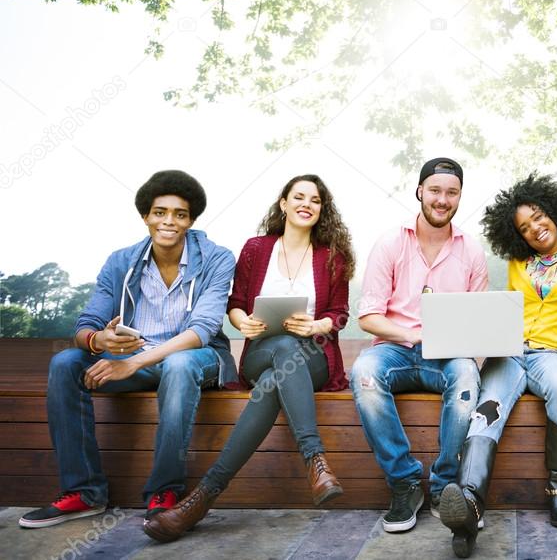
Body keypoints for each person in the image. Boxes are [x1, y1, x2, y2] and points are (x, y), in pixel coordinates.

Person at [19, 170, 238, 530]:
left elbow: (202, 330)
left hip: (198, 358)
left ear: (191, 220)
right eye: (160, 212)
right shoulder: (121, 261)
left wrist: (130, 363)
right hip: (134, 359)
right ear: (145, 216)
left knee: (179, 365)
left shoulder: (216, 258)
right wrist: (97, 341)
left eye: (179, 214)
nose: (169, 221)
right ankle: (84, 492)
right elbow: (86, 323)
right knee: (66, 362)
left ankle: (164, 492)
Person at [144, 174, 355, 542]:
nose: (307, 204)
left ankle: (201, 499)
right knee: (280, 353)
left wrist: (315, 324)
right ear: (284, 204)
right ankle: (315, 462)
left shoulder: (330, 256)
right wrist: (244, 322)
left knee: (283, 364)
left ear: (322, 210)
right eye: (299, 197)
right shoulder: (257, 249)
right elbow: (235, 303)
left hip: (313, 357)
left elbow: (340, 315)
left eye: (316, 200)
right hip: (260, 351)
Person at [439, 173, 557, 558]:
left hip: (552, 355)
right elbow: (507, 312)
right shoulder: (517, 262)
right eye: (524, 228)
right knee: (485, 410)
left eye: (539, 217)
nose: (535, 229)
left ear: (555, 213)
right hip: (509, 353)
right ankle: (469, 502)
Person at [350, 157, 488, 534]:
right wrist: (412, 335)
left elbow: (478, 321)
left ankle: (444, 485)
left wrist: (471, 353)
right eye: (435, 191)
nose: (442, 200)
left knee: (465, 373)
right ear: (420, 192)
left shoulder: (471, 250)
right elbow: (368, 317)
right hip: (395, 349)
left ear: (459, 197)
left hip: (445, 357)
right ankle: (405, 483)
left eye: (451, 192)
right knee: (364, 371)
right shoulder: (390, 243)